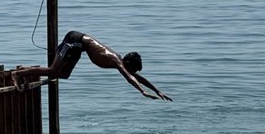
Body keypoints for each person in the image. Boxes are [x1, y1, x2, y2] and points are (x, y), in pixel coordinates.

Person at [12, 30, 171, 101]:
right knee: (54, 70)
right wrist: (142, 92)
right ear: (128, 64)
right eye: (132, 69)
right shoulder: (116, 61)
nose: (132, 72)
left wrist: (158, 91)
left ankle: (24, 72)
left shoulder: (120, 63)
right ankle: (19, 73)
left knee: (64, 75)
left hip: (79, 47)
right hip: (74, 41)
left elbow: (137, 77)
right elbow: (130, 78)